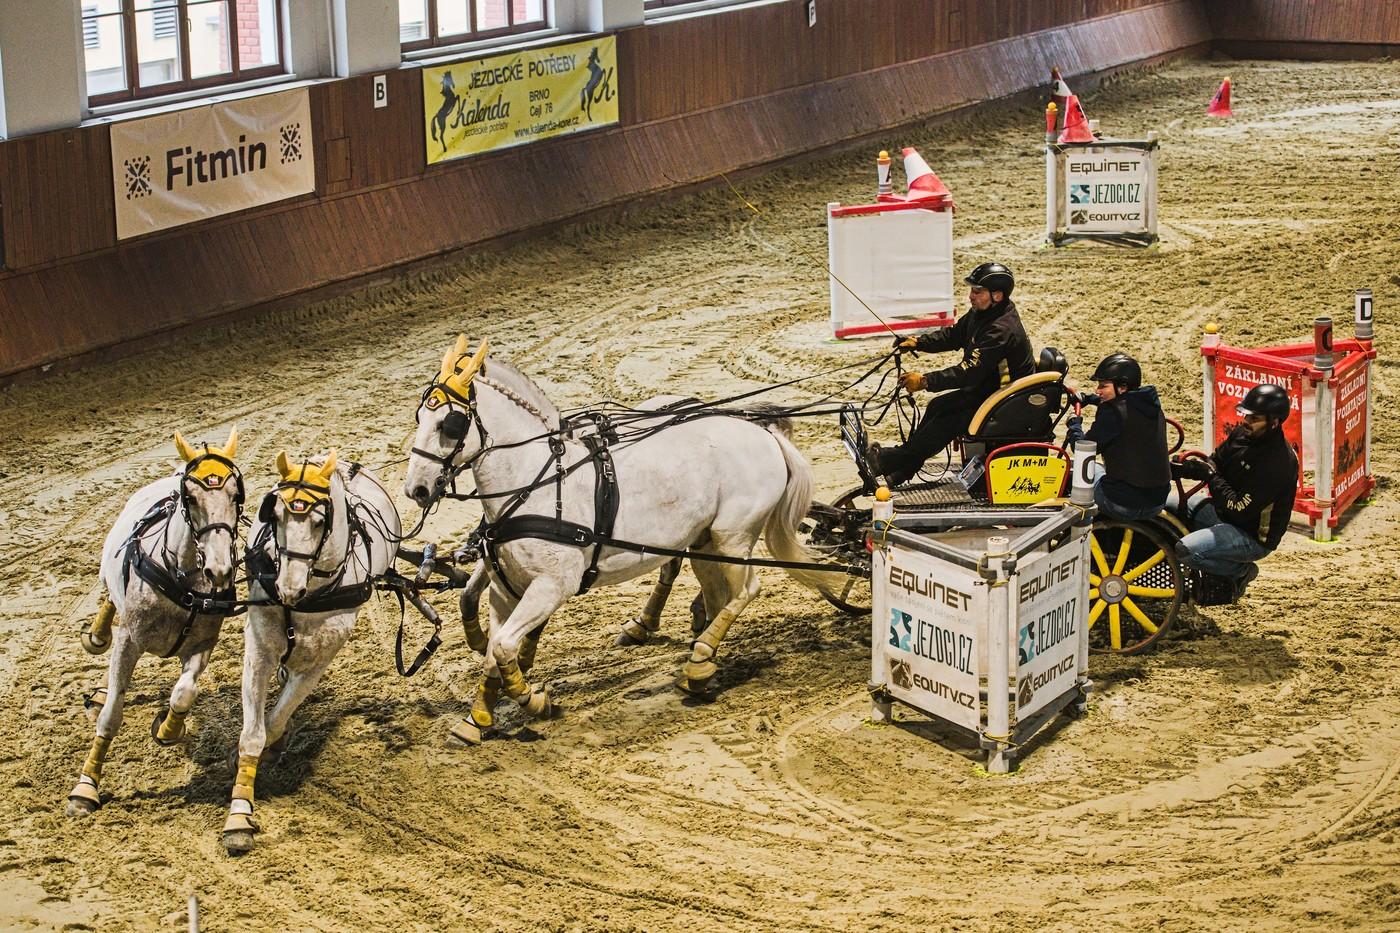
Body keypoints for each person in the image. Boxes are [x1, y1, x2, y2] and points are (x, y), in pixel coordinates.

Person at [867, 262, 1036, 487]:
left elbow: (968, 372)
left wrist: (925, 381)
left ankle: (890, 461)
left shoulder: (1001, 329)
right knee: (937, 406)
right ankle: (902, 470)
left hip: (1003, 401)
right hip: (986, 391)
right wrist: (919, 342)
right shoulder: (982, 313)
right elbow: (954, 335)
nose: (971, 296)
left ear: (997, 295)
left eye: (977, 291)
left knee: (946, 420)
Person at [1173, 383, 1298, 598]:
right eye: (1246, 415)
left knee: (1188, 551)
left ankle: (1240, 572)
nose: (1246, 421)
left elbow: (1239, 508)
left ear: (1274, 422)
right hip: (1222, 516)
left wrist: (1210, 476)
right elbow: (1215, 461)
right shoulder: (1242, 434)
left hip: (1251, 537)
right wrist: (1188, 468)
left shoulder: (1277, 463)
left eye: (1254, 418)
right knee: (1165, 504)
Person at [1065, 353, 1171, 522]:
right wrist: (1089, 399)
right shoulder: (1151, 405)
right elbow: (1125, 403)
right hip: (1157, 501)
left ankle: (1081, 527)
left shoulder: (1112, 413)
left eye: (1103, 386)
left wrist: (1074, 424)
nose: (1098, 390)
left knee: (1077, 471)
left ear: (1122, 387)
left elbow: (1082, 449)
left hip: (1121, 503)